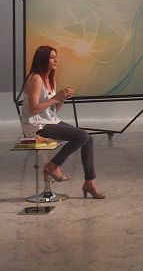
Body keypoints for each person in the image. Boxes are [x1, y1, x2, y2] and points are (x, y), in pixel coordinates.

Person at [21, 45, 105, 199]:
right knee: (82, 136)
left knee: (88, 138)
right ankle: (53, 166)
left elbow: (53, 110)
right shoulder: (36, 78)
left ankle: (89, 182)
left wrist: (62, 99)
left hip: (48, 121)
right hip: (35, 125)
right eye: (52, 57)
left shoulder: (50, 78)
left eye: (56, 57)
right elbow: (33, 109)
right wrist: (56, 97)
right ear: (43, 59)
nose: (56, 60)